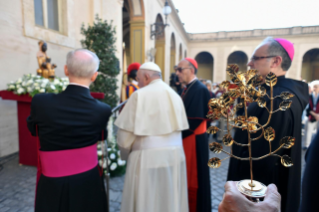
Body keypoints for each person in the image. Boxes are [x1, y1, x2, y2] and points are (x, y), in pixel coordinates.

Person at [227, 37, 308, 212]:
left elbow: (261, 160)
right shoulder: (274, 93)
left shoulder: (276, 100)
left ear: (276, 61)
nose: (249, 64)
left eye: (256, 58)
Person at [27, 49, 111, 212]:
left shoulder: (41, 102)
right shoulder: (103, 110)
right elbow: (102, 136)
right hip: (89, 183)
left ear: (66, 70)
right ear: (94, 76)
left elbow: (33, 129)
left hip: (53, 184)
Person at [115, 62, 189, 212]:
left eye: (138, 79)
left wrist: (125, 155)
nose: (138, 82)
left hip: (146, 159)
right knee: (169, 199)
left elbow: (124, 139)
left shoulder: (139, 95)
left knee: (146, 200)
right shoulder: (175, 95)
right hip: (174, 157)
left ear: (147, 77)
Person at [176, 58, 211, 212]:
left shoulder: (199, 89)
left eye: (180, 69)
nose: (177, 73)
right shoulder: (187, 88)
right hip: (188, 139)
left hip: (193, 141)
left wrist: (174, 132)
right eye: (176, 69)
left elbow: (194, 122)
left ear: (191, 70)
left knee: (194, 180)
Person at [304, 80, 319, 149]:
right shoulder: (309, 96)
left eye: (316, 87)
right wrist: (315, 115)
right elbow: (307, 107)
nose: (315, 88)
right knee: (308, 131)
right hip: (311, 115)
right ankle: (307, 145)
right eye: (314, 87)